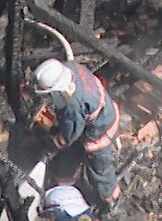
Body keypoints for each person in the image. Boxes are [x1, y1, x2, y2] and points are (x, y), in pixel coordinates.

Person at [33, 58, 121, 206]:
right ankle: (65, 178)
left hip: (100, 133)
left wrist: (51, 141)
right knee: (71, 156)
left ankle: (111, 199)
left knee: (101, 170)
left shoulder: (73, 106)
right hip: (106, 108)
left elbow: (69, 136)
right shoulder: (71, 67)